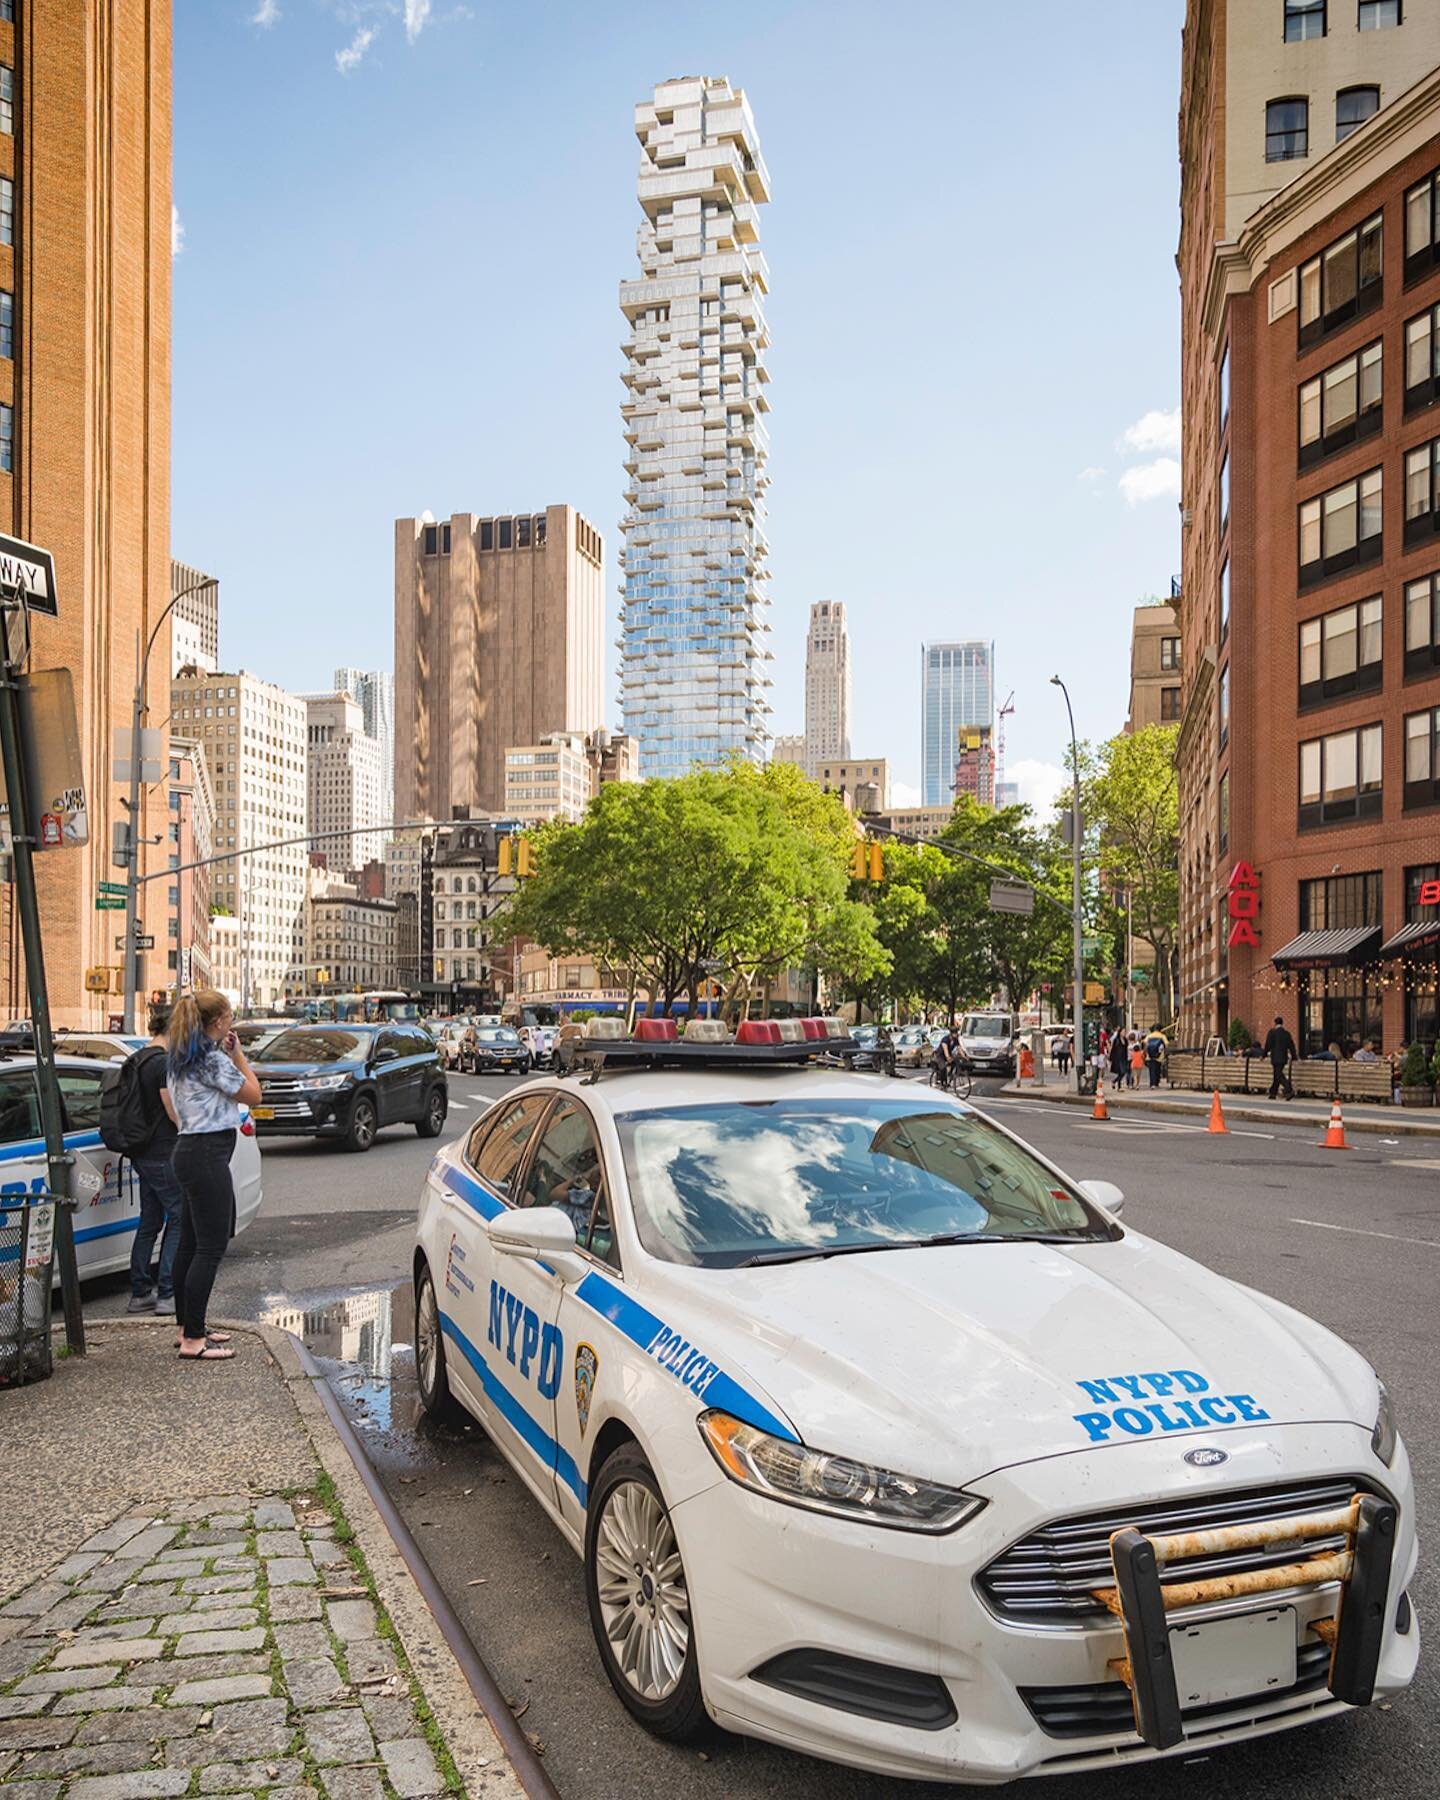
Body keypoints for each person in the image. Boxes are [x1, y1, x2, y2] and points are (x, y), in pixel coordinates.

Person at [166, 989, 262, 1362]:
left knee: (189, 1244)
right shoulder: (211, 1060)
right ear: (219, 1022)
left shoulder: (179, 1057)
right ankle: (193, 1340)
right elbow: (254, 1094)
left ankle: (187, 1325)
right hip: (207, 1155)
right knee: (211, 1246)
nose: (232, 1022)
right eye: (230, 1017)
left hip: (188, 1151)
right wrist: (237, 1054)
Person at [126, 1003, 182, 1315]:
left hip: (141, 1151)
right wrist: (186, 1130)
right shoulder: (162, 1063)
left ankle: (140, 1292)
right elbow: (171, 1107)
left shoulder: (136, 1058)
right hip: (163, 1150)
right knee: (179, 1217)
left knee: (148, 1222)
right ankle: (168, 1294)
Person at [1262, 1014, 1297, 1100]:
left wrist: (1264, 1055)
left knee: (1278, 1075)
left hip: (1275, 1057)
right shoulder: (1286, 1034)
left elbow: (1268, 1045)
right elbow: (1291, 1046)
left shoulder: (1272, 1033)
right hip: (1283, 1057)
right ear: (1282, 1023)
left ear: (1275, 1023)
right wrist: (1294, 1056)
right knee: (1276, 1074)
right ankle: (1273, 1093)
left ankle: (1289, 1090)